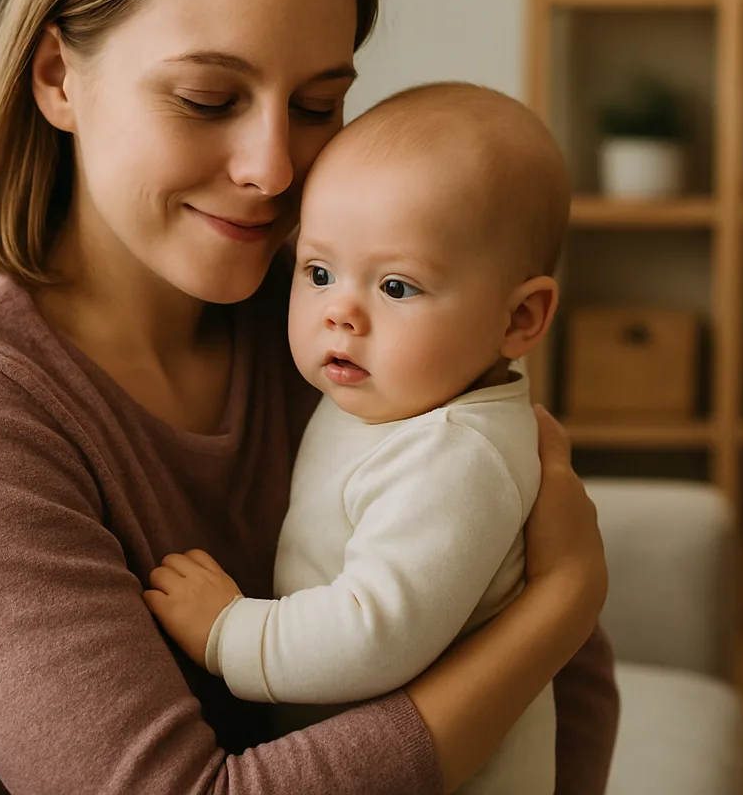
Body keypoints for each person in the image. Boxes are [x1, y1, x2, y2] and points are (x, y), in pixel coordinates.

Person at [0, 0, 618, 795]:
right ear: (58, 79)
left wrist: (550, 623)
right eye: (208, 99)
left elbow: (566, 693)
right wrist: (559, 604)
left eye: (316, 104)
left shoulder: (333, 322)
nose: (273, 168)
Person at [145, 83, 572, 794]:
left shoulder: (456, 452)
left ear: (519, 320)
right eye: (318, 272)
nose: (340, 312)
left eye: (397, 287)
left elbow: (375, 631)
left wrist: (229, 631)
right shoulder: (399, 394)